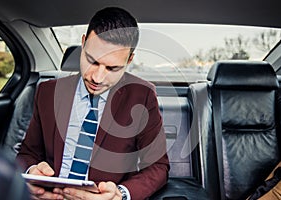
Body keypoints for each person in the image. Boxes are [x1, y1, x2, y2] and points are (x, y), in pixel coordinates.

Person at [16, 7, 169, 200]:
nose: (97, 77)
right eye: (92, 61)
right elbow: (27, 153)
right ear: (83, 43)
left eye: (112, 68)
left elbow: (158, 167)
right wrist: (31, 173)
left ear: (129, 59)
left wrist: (120, 195)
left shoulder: (142, 95)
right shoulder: (48, 92)